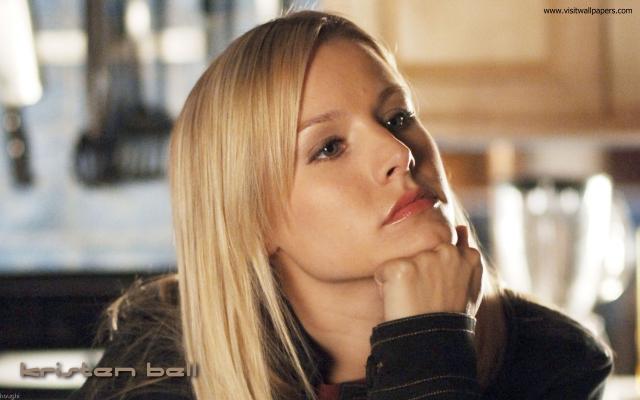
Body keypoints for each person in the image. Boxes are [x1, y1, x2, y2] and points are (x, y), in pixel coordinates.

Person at [69, 10, 613, 400]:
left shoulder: (553, 363)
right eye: (329, 147)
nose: (399, 151)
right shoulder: (160, 369)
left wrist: (430, 341)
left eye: (398, 117)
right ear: (252, 220)